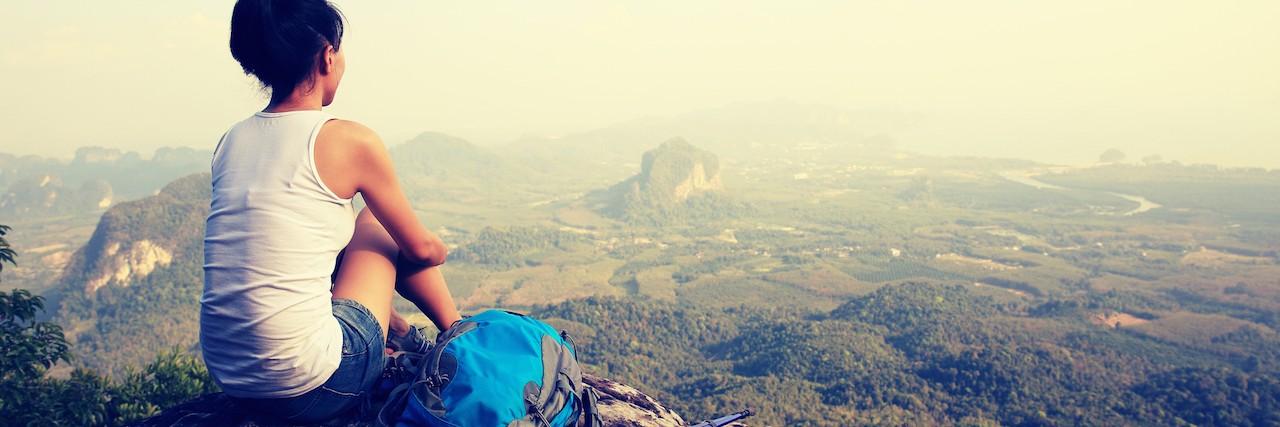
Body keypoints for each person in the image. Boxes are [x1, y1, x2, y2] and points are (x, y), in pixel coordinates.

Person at [200, 0, 461, 422]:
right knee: (374, 223)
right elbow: (420, 249)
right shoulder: (348, 140)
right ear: (327, 56)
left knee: (328, 235)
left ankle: (402, 332)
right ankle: (461, 339)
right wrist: (439, 247)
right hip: (315, 384)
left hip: (235, 380)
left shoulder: (231, 141)